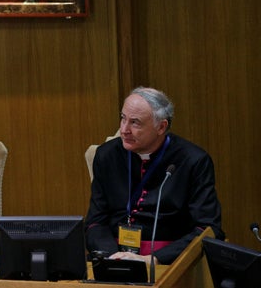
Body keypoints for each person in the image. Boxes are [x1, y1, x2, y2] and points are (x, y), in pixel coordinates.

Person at [85, 87, 224, 265]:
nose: (124, 129)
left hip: (169, 263)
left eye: (135, 122)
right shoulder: (107, 155)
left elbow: (208, 229)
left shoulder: (193, 161)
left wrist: (154, 259)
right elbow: (95, 222)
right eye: (123, 118)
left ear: (161, 127)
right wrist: (114, 257)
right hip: (112, 257)